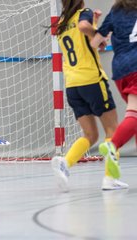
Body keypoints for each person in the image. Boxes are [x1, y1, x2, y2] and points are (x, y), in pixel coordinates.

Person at [50, 0, 125, 191]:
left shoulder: (61, 23)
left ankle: (65, 163)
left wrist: (94, 25)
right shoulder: (83, 13)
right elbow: (83, 27)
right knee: (112, 129)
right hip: (91, 79)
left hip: (72, 84)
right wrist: (98, 34)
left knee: (90, 134)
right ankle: (110, 178)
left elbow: (81, 41)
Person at [91, 0, 137, 189]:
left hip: (120, 70)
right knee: (134, 114)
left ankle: (109, 177)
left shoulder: (116, 11)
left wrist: (101, 39)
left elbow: (94, 42)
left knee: (134, 118)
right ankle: (113, 145)